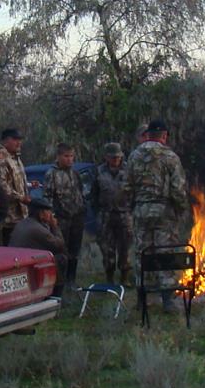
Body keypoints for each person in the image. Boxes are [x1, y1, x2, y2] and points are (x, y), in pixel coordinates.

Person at [124, 119, 188, 309]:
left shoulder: (134, 156)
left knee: (142, 252)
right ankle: (167, 299)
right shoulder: (170, 156)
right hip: (164, 211)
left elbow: (126, 186)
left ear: (148, 134)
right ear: (164, 136)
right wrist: (181, 208)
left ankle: (142, 297)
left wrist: (131, 207)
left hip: (141, 210)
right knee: (164, 251)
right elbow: (178, 188)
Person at [43, 143, 86, 293]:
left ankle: (71, 280)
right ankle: (59, 283)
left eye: (71, 156)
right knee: (61, 250)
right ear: (59, 157)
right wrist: (51, 218)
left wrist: (82, 210)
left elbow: (81, 193)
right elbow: (47, 197)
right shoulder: (52, 174)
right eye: (66, 156)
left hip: (77, 217)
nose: (69, 159)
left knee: (75, 250)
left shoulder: (75, 173)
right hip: (61, 219)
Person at [90, 142, 132, 283]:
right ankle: (110, 279)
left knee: (125, 248)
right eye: (113, 157)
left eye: (118, 157)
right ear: (106, 157)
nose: (116, 160)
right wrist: (98, 212)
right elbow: (93, 194)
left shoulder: (128, 170)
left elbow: (135, 191)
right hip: (105, 215)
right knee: (107, 248)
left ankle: (125, 278)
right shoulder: (99, 171)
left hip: (124, 214)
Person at [8, 197, 67, 295]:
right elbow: (59, 246)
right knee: (61, 258)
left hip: (17, 262)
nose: (51, 214)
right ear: (41, 213)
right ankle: (55, 294)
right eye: (48, 211)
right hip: (26, 266)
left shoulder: (22, 223)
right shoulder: (37, 229)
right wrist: (54, 226)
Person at [0, 127, 29, 245]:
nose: (19, 142)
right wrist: (20, 197)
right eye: (15, 139)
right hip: (9, 217)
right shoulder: (1, 159)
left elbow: (16, 182)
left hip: (21, 215)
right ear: (6, 141)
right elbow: (2, 186)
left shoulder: (16, 158)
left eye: (20, 139)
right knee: (10, 249)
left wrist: (29, 185)